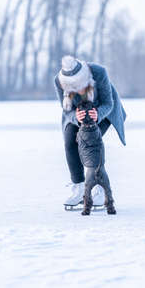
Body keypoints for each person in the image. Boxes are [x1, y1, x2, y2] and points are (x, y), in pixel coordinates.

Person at [54, 55, 127, 207]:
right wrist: (76, 116)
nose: (78, 89)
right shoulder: (58, 81)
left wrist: (97, 114)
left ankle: (99, 188)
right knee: (70, 142)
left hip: (103, 110)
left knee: (91, 141)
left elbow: (109, 102)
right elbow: (66, 109)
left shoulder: (99, 72)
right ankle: (79, 189)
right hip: (76, 113)